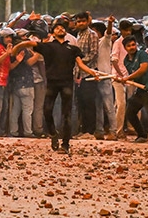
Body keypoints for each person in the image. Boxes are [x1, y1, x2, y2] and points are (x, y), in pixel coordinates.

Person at [31, 20, 102, 154]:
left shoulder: (73, 49)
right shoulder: (47, 46)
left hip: (67, 83)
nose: (60, 29)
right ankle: (52, 133)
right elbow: (30, 43)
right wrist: (17, 47)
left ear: (66, 32)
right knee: (47, 110)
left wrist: (92, 72)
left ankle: (66, 144)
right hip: (52, 83)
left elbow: (81, 65)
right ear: (52, 33)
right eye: (57, 28)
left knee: (67, 114)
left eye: (62, 28)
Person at [121, 36, 148, 143]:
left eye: (133, 45)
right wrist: (123, 79)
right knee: (130, 112)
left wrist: (127, 78)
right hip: (140, 90)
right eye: (128, 46)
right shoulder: (126, 60)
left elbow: (143, 69)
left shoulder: (142, 54)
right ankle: (142, 135)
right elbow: (133, 75)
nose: (132, 47)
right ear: (125, 48)